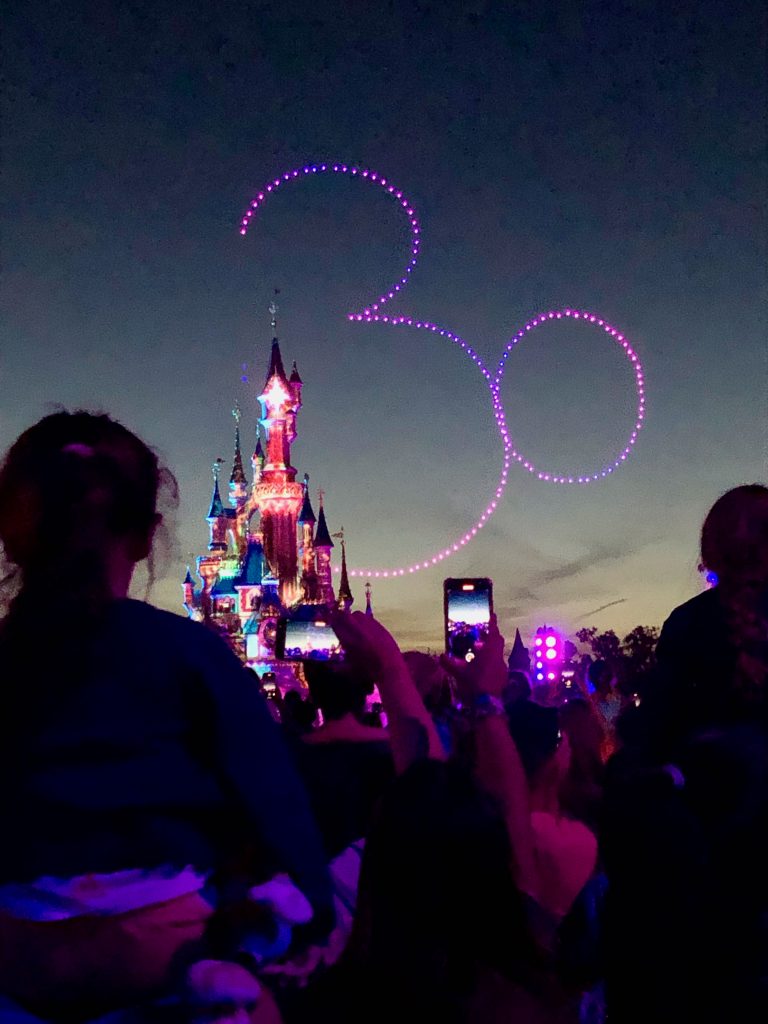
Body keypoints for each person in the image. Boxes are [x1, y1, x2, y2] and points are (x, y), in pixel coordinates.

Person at [0, 411, 331, 1019]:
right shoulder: (190, 654)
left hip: (17, 953)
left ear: (11, 533)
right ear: (147, 534)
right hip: (164, 946)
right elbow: (280, 811)